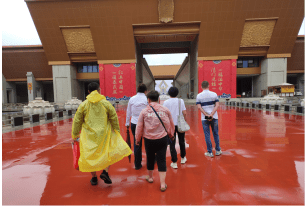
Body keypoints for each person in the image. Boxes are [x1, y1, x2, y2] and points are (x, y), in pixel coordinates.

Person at [71, 82, 132, 185]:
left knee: (90, 155)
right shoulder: (105, 103)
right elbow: (113, 117)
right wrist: (116, 130)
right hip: (104, 134)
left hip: (89, 135)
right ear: (99, 90)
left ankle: (94, 178)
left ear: (88, 91)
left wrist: (75, 135)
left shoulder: (83, 105)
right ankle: (105, 171)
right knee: (107, 152)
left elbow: (77, 121)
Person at [135, 91, 175, 192]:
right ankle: (162, 184)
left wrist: (137, 139)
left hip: (149, 139)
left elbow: (139, 126)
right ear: (159, 99)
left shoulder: (144, 112)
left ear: (148, 100)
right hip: (162, 139)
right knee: (162, 159)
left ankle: (150, 177)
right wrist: (171, 134)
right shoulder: (165, 110)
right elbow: (170, 124)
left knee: (150, 158)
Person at [163, 87, 188, 169]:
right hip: (180, 124)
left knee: (172, 143)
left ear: (169, 93)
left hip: (170, 125)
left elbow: (164, 115)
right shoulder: (181, 101)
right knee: (182, 141)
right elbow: (184, 113)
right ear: (177, 93)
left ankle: (174, 162)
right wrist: (184, 121)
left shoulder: (166, 102)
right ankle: (183, 158)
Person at [196, 81, 222, 157]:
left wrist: (207, 115)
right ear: (209, 85)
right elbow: (217, 105)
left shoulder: (199, 96)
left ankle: (210, 152)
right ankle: (217, 150)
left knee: (207, 135)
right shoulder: (214, 94)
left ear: (201, 87)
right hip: (214, 117)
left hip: (204, 119)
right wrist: (211, 114)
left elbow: (199, 107)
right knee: (216, 134)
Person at [125, 83, 148, 170]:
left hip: (134, 123)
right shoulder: (146, 99)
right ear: (145, 91)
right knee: (148, 142)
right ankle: (150, 161)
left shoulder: (132, 99)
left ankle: (137, 164)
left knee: (137, 142)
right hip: (145, 123)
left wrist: (127, 123)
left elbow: (128, 112)